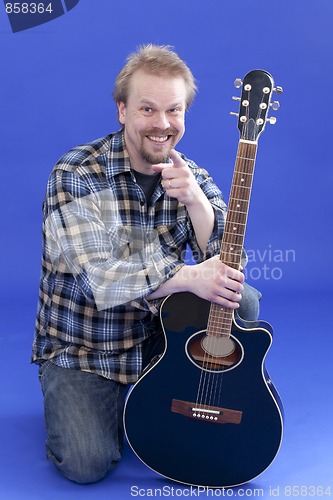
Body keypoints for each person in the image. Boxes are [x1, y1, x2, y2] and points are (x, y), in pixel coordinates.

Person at [32, 44, 261, 484]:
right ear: (122, 111)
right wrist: (191, 276)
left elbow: (230, 263)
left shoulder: (190, 174)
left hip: (158, 349)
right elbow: (97, 280)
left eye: (173, 110)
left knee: (241, 299)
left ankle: (162, 399)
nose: (162, 124)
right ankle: (84, 404)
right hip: (86, 353)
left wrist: (196, 200)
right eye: (147, 109)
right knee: (86, 464)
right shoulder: (76, 173)